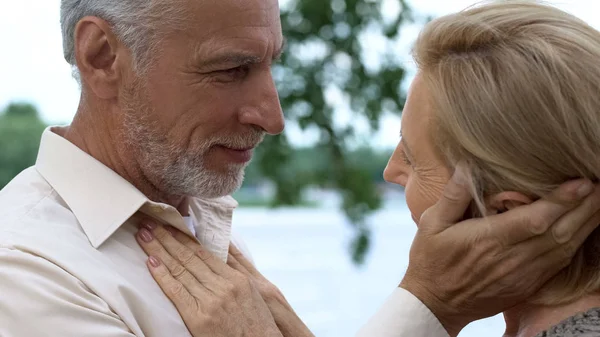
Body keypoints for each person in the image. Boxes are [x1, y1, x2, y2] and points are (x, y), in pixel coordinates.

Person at [0, 0, 598, 336]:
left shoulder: (199, 217)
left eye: (270, 65)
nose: (274, 115)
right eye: (232, 70)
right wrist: (428, 304)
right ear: (102, 56)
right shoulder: (25, 273)